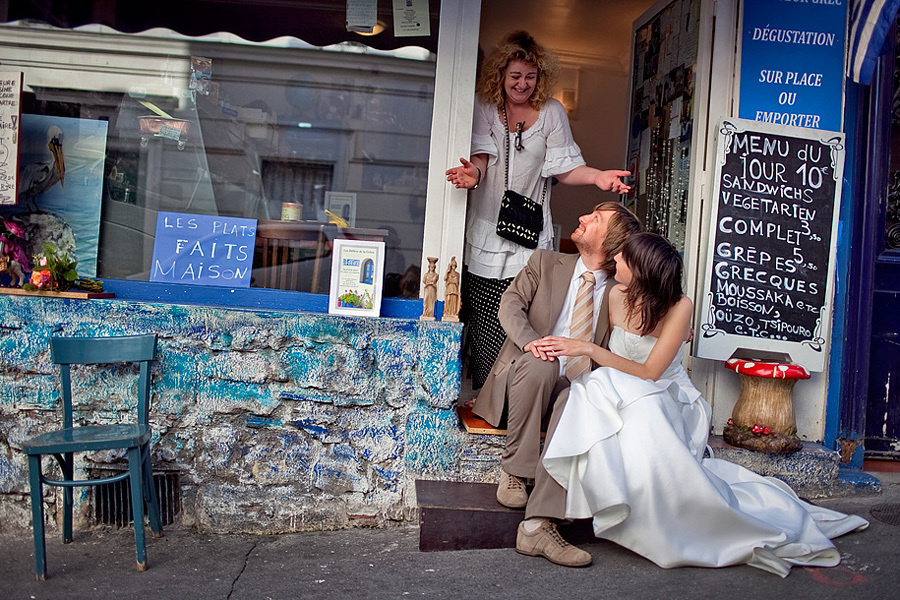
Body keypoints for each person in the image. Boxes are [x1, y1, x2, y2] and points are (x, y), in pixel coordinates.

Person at [516, 232, 869, 575]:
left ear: (641, 269)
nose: (615, 261)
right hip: (621, 385)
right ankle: (607, 503)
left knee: (642, 408)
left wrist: (592, 350)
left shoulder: (679, 306)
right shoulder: (614, 294)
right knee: (590, 395)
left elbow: (651, 372)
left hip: (667, 393)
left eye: (623, 258)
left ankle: (672, 513)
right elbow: (607, 356)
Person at [445, 30, 631, 391]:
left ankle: (521, 399)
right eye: (515, 76)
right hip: (487, 236)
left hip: (531, 238)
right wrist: (473, 175)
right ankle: (487, 399)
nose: (522, 84)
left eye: (530, 77)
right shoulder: (485, 106)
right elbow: (483, 158)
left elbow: (564, 166)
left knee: (530, 323)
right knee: (485, 324)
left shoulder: (551, 112)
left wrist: (598, 178)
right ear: (500, 74)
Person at [473, 202, 641, 509]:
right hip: (526, 379)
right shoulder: (545, 262)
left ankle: (545, 498)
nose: (582, 216)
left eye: (595, 218)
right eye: (590, 212)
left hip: (576, 390)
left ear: (611, 241)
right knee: (542, 363)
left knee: (578, 393)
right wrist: (531, 343)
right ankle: (514, 471)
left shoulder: (623, 291)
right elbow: (510, 304)